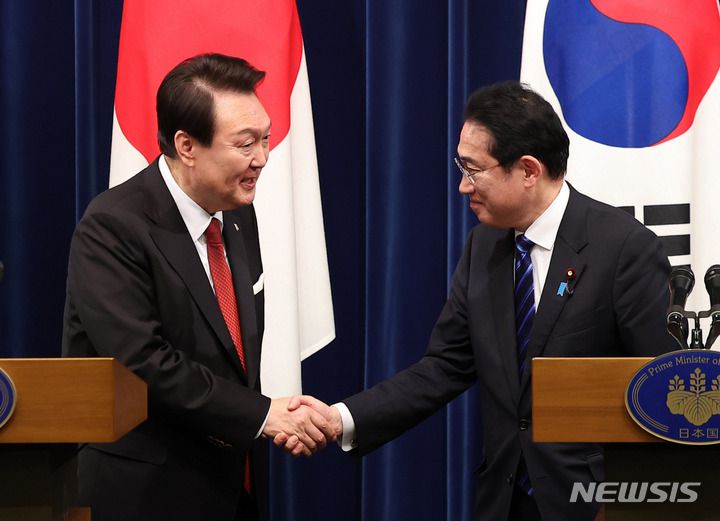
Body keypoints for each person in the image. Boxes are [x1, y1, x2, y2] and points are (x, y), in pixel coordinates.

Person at [282, 81, 677, 521]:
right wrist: (341, 418)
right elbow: (444, 367)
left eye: (473, 170)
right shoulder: (483, 248)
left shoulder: (623, 249)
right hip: (503, 502)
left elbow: (660, 388)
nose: (462, 187)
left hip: (594, 504)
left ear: (528, 170)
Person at [62, 53, 333, 521]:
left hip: (230, 488)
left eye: (265, 139)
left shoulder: (238, 215)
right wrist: (262, 414)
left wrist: (265, 415)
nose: (262, 159)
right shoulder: (113, 227)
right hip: (144, 496)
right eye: (245, 144)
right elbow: (143, 363)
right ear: (186, 145)